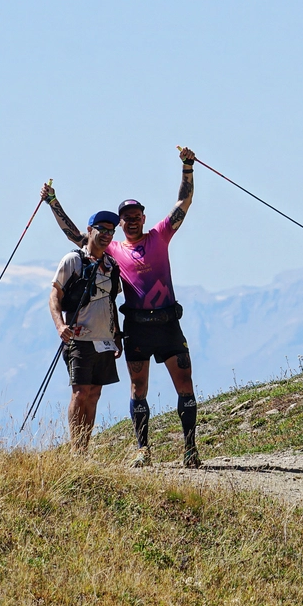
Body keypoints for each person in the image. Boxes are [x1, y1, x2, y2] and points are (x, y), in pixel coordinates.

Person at [42, 146, 200, 468]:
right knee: (137, 388)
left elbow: (183, 203)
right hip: (138, 327)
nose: (129, 223)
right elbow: (78, 236)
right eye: (124, 219)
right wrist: (54, 203)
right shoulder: (112, 249)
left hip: (168, 322)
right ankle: (143, 450)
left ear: (144, 217)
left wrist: (187, 167)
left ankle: (190, 450)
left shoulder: (159, 235)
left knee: (184, 385)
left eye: (134, 217)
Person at [49, 210, 123, 453]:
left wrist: (117, 336)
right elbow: (54, 295)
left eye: (111, 231)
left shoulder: (112, 266)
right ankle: (75, 450)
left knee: (94, 394)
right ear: (90, 230)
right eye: (102, 229)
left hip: (104, 339)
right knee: (80, 393)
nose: (107, 234)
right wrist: (60, 326)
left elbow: (111, 302)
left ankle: (84, 449)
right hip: (79, 339)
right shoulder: (73, 260)